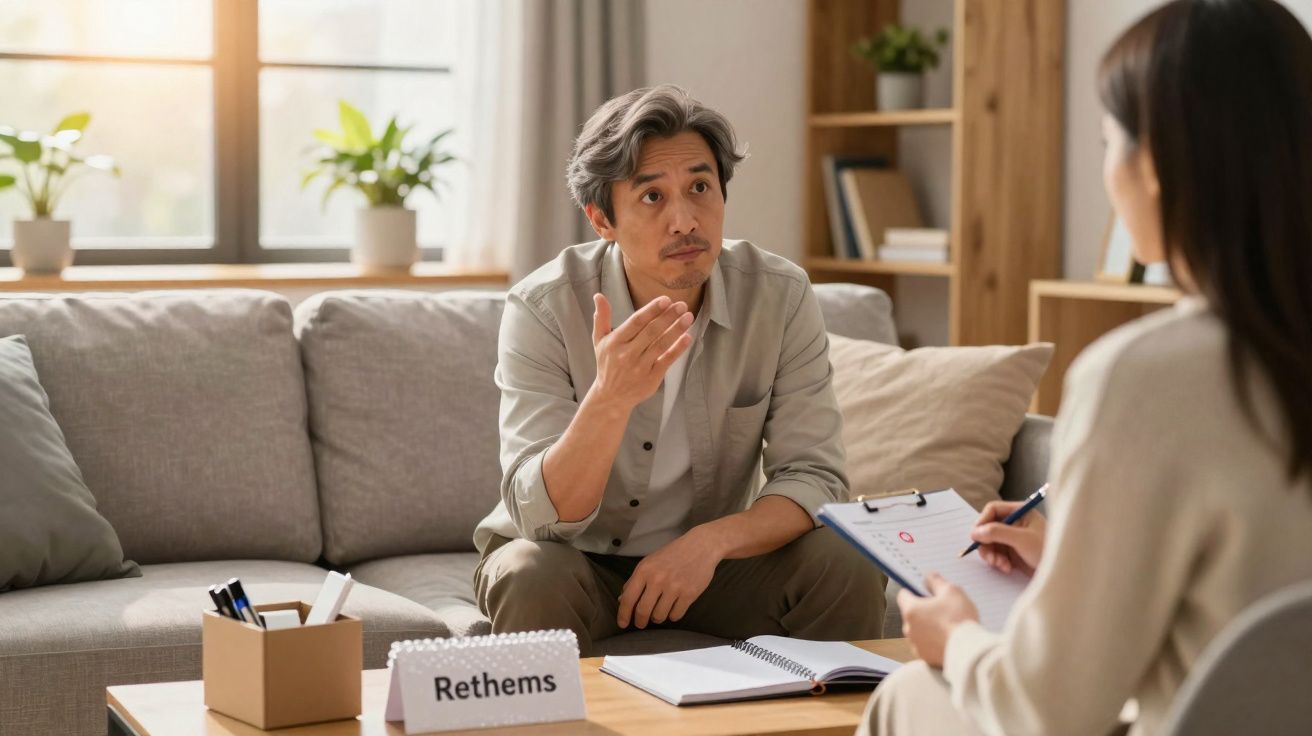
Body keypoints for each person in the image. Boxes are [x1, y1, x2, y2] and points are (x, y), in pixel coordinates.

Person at [860, 1, 1312, 733]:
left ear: (1156, 163)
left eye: (1107, 140)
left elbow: (1051, 710)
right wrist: (1075, 562)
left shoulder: (1144, 377)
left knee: (910, 694)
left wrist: (958, 639)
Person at [472, 84, 885, 656]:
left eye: (699, 187)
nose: (684, 220)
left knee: (848, 559)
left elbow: (816, 477)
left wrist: (709, 544)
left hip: (713, 570)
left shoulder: (781, 295)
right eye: (651, 198)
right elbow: (540, 515)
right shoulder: (542, 308)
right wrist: (610, 399)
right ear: (601, 220)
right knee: (527, 570)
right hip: (575, 564)